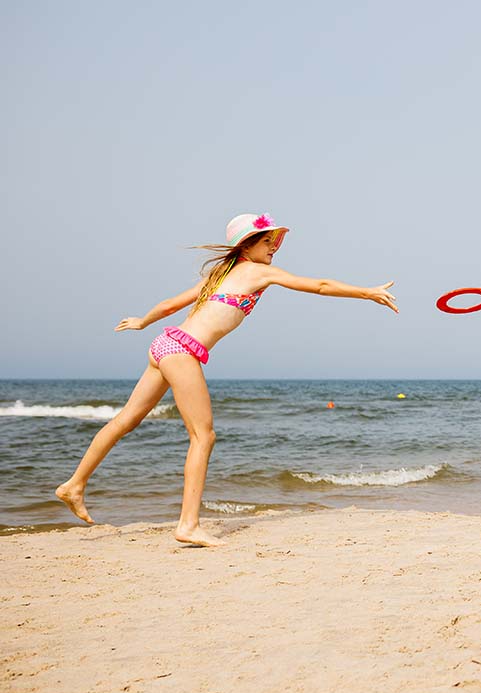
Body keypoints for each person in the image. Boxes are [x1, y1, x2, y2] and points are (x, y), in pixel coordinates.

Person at [55, 213, 398, 546]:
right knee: (203, 436)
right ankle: (188, 525)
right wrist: (366, 292)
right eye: (267, 241)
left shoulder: (221, 273)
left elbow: (170, 305)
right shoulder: (257, 272)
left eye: (274, 242)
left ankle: (74, 485)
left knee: (126, 420)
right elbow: (320, 286)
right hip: (182, 352)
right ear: (246, 245)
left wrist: (143, 322)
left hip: (164, 343)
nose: (273, 247)